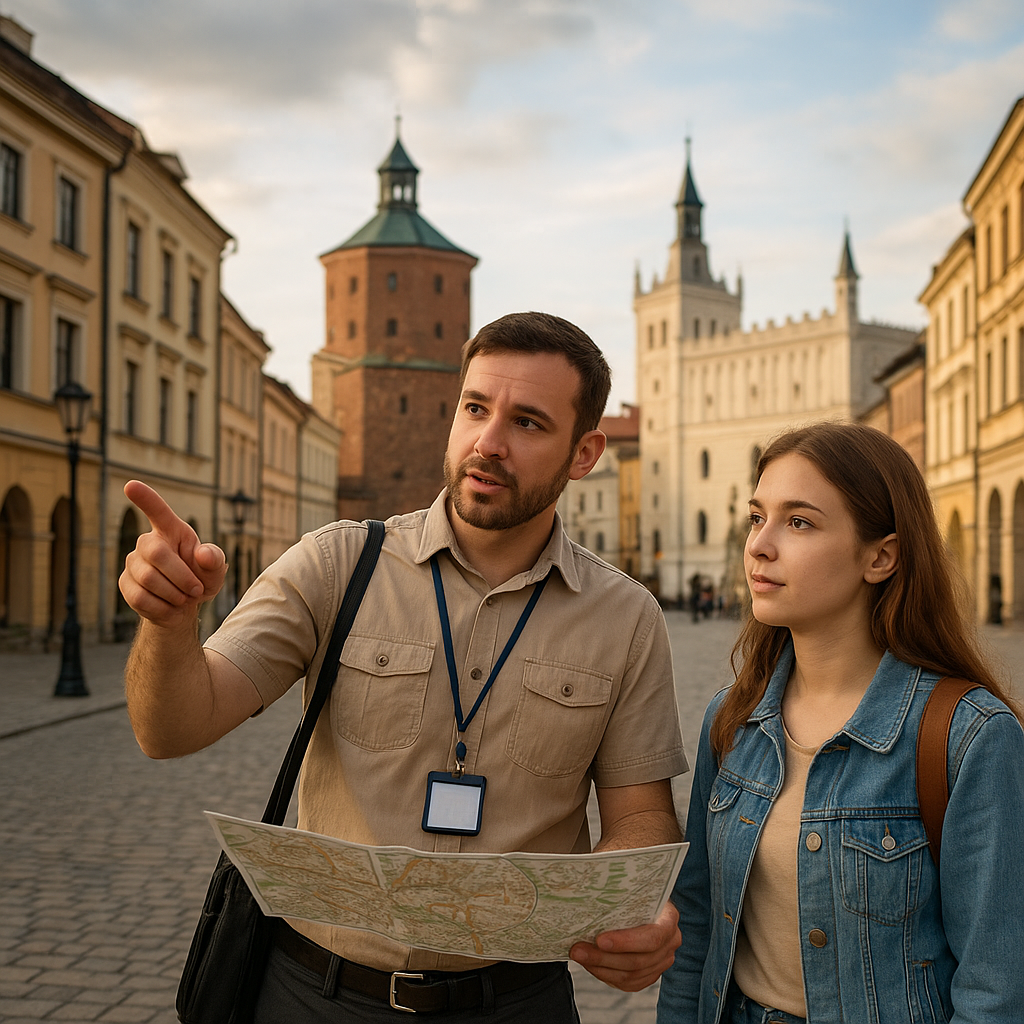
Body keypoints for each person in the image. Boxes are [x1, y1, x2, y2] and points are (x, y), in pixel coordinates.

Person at [119, 311, 687, 1023]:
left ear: (585, 453)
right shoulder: (336, 563)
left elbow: (642, 815)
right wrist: (167, 625)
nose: (488, 442)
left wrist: (633, 906)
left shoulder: (626, 617)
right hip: (314, 995)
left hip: (514, 1003)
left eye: (529, 423)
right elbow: (169, 729)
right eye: (475, 408)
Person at [657, 422, 1024, 1024]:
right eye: (757, 517)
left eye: (798, 522)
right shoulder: (732, 718)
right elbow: (695, 932)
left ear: (880, 556)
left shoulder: (968, 737)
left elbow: (996, 991)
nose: (760, 545)